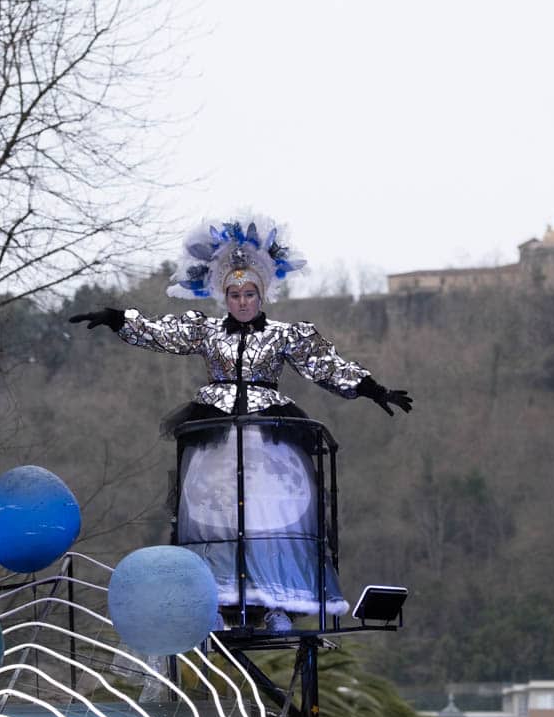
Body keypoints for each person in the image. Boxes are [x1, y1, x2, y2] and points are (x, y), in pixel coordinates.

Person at [70, 216, 411, 632]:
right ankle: (213, 600)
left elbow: (324, 365)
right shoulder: (207, 332)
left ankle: (277, 603)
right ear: (224, 297)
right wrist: (117, 318)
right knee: (214, 514)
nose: (243, 302)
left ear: (261, 295)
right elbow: (163, 332)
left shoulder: (284, 335)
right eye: (235, 295)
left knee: (272, 513)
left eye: (250, 294)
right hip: (215, 432)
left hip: (267, 433)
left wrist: (373, 389)